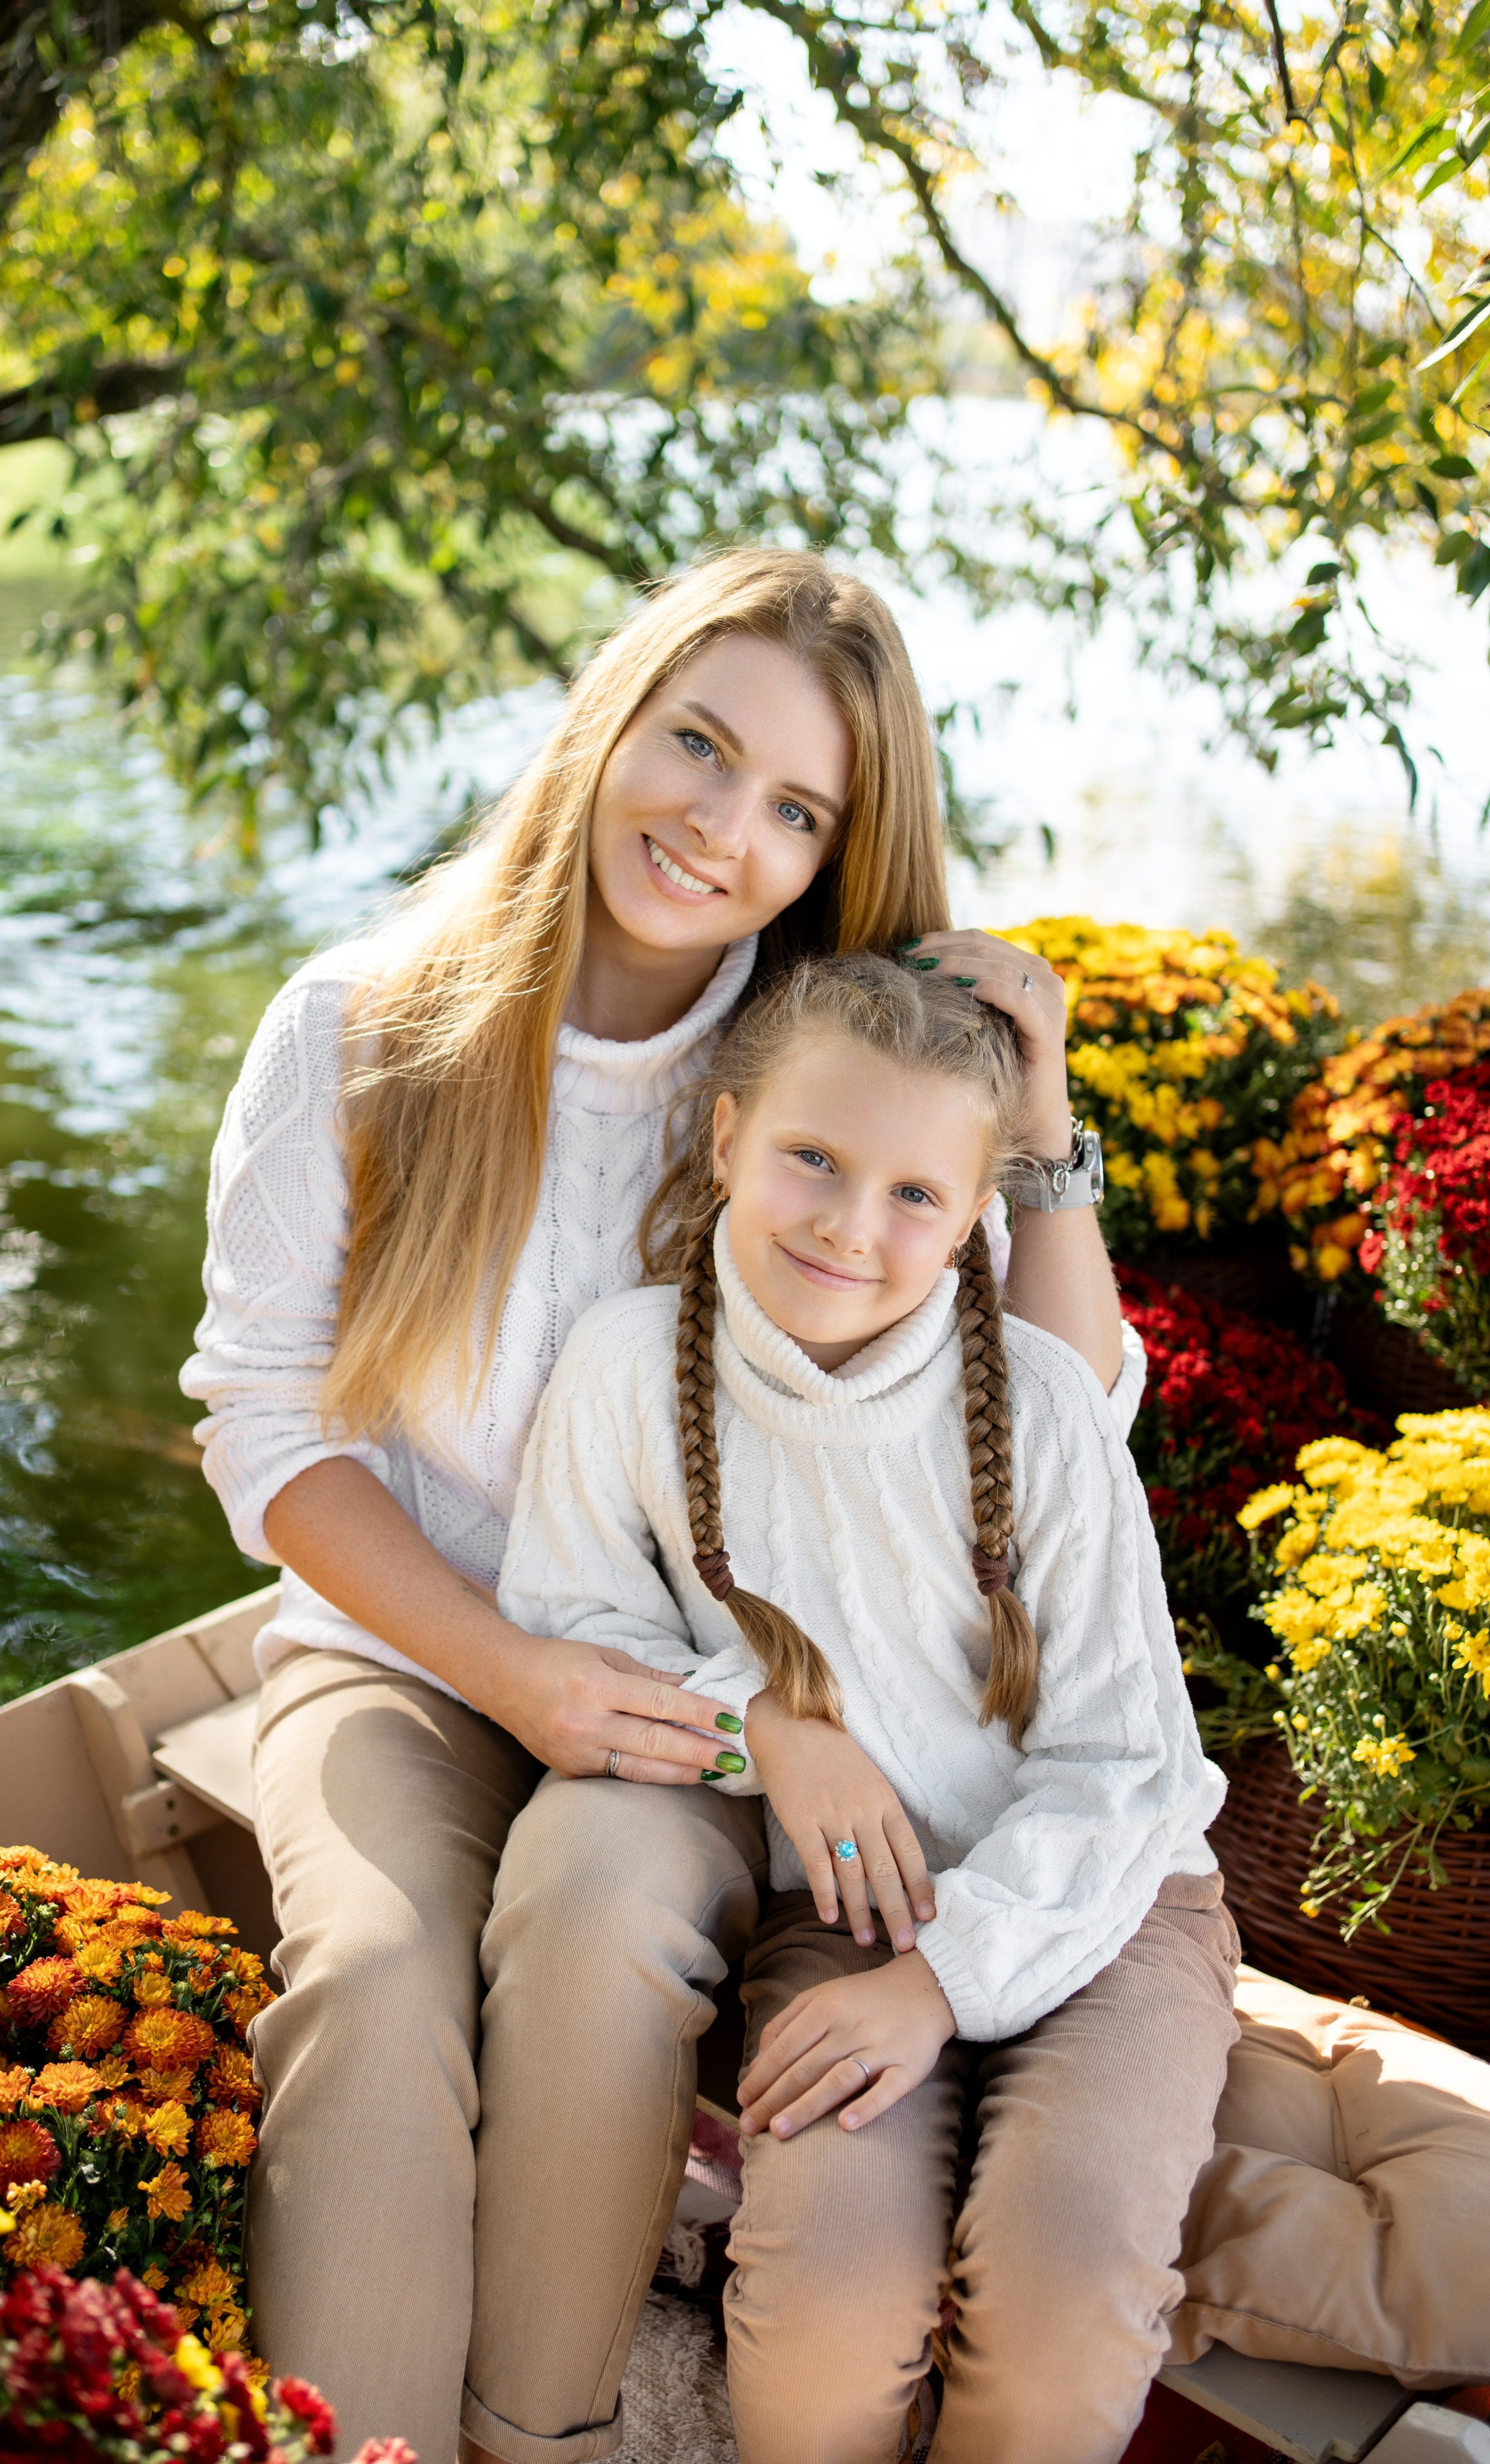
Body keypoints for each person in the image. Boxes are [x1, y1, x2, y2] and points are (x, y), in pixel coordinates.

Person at [180, 549, 1145, 2463]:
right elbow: (267, 1429)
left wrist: (1041, 1139)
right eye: (698, 746)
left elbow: (1063, 1415)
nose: (721, 828)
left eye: (796, 810)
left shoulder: (805, 1076)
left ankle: (530, 2434)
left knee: (599, 1901)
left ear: (833, 854)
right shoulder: (360, 1026)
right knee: (371, 1983)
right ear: (609, 720)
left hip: (723, 1687)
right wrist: (515, 1672)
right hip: (412, 1653)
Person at [498, 953, 1235, 2464]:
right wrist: (761, 1726)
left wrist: (940, 1986)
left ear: (973, 1219)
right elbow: (577, 1625)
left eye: (912, 1194)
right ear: (724, 1141)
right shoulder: (626, 1369)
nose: (847, 1225)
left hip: (1109, 1903)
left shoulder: (1039, 1404)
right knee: (823, 2312)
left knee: (1059, 2296)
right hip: (842, 1909)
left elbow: (1126, 1762)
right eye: (812, 1159)